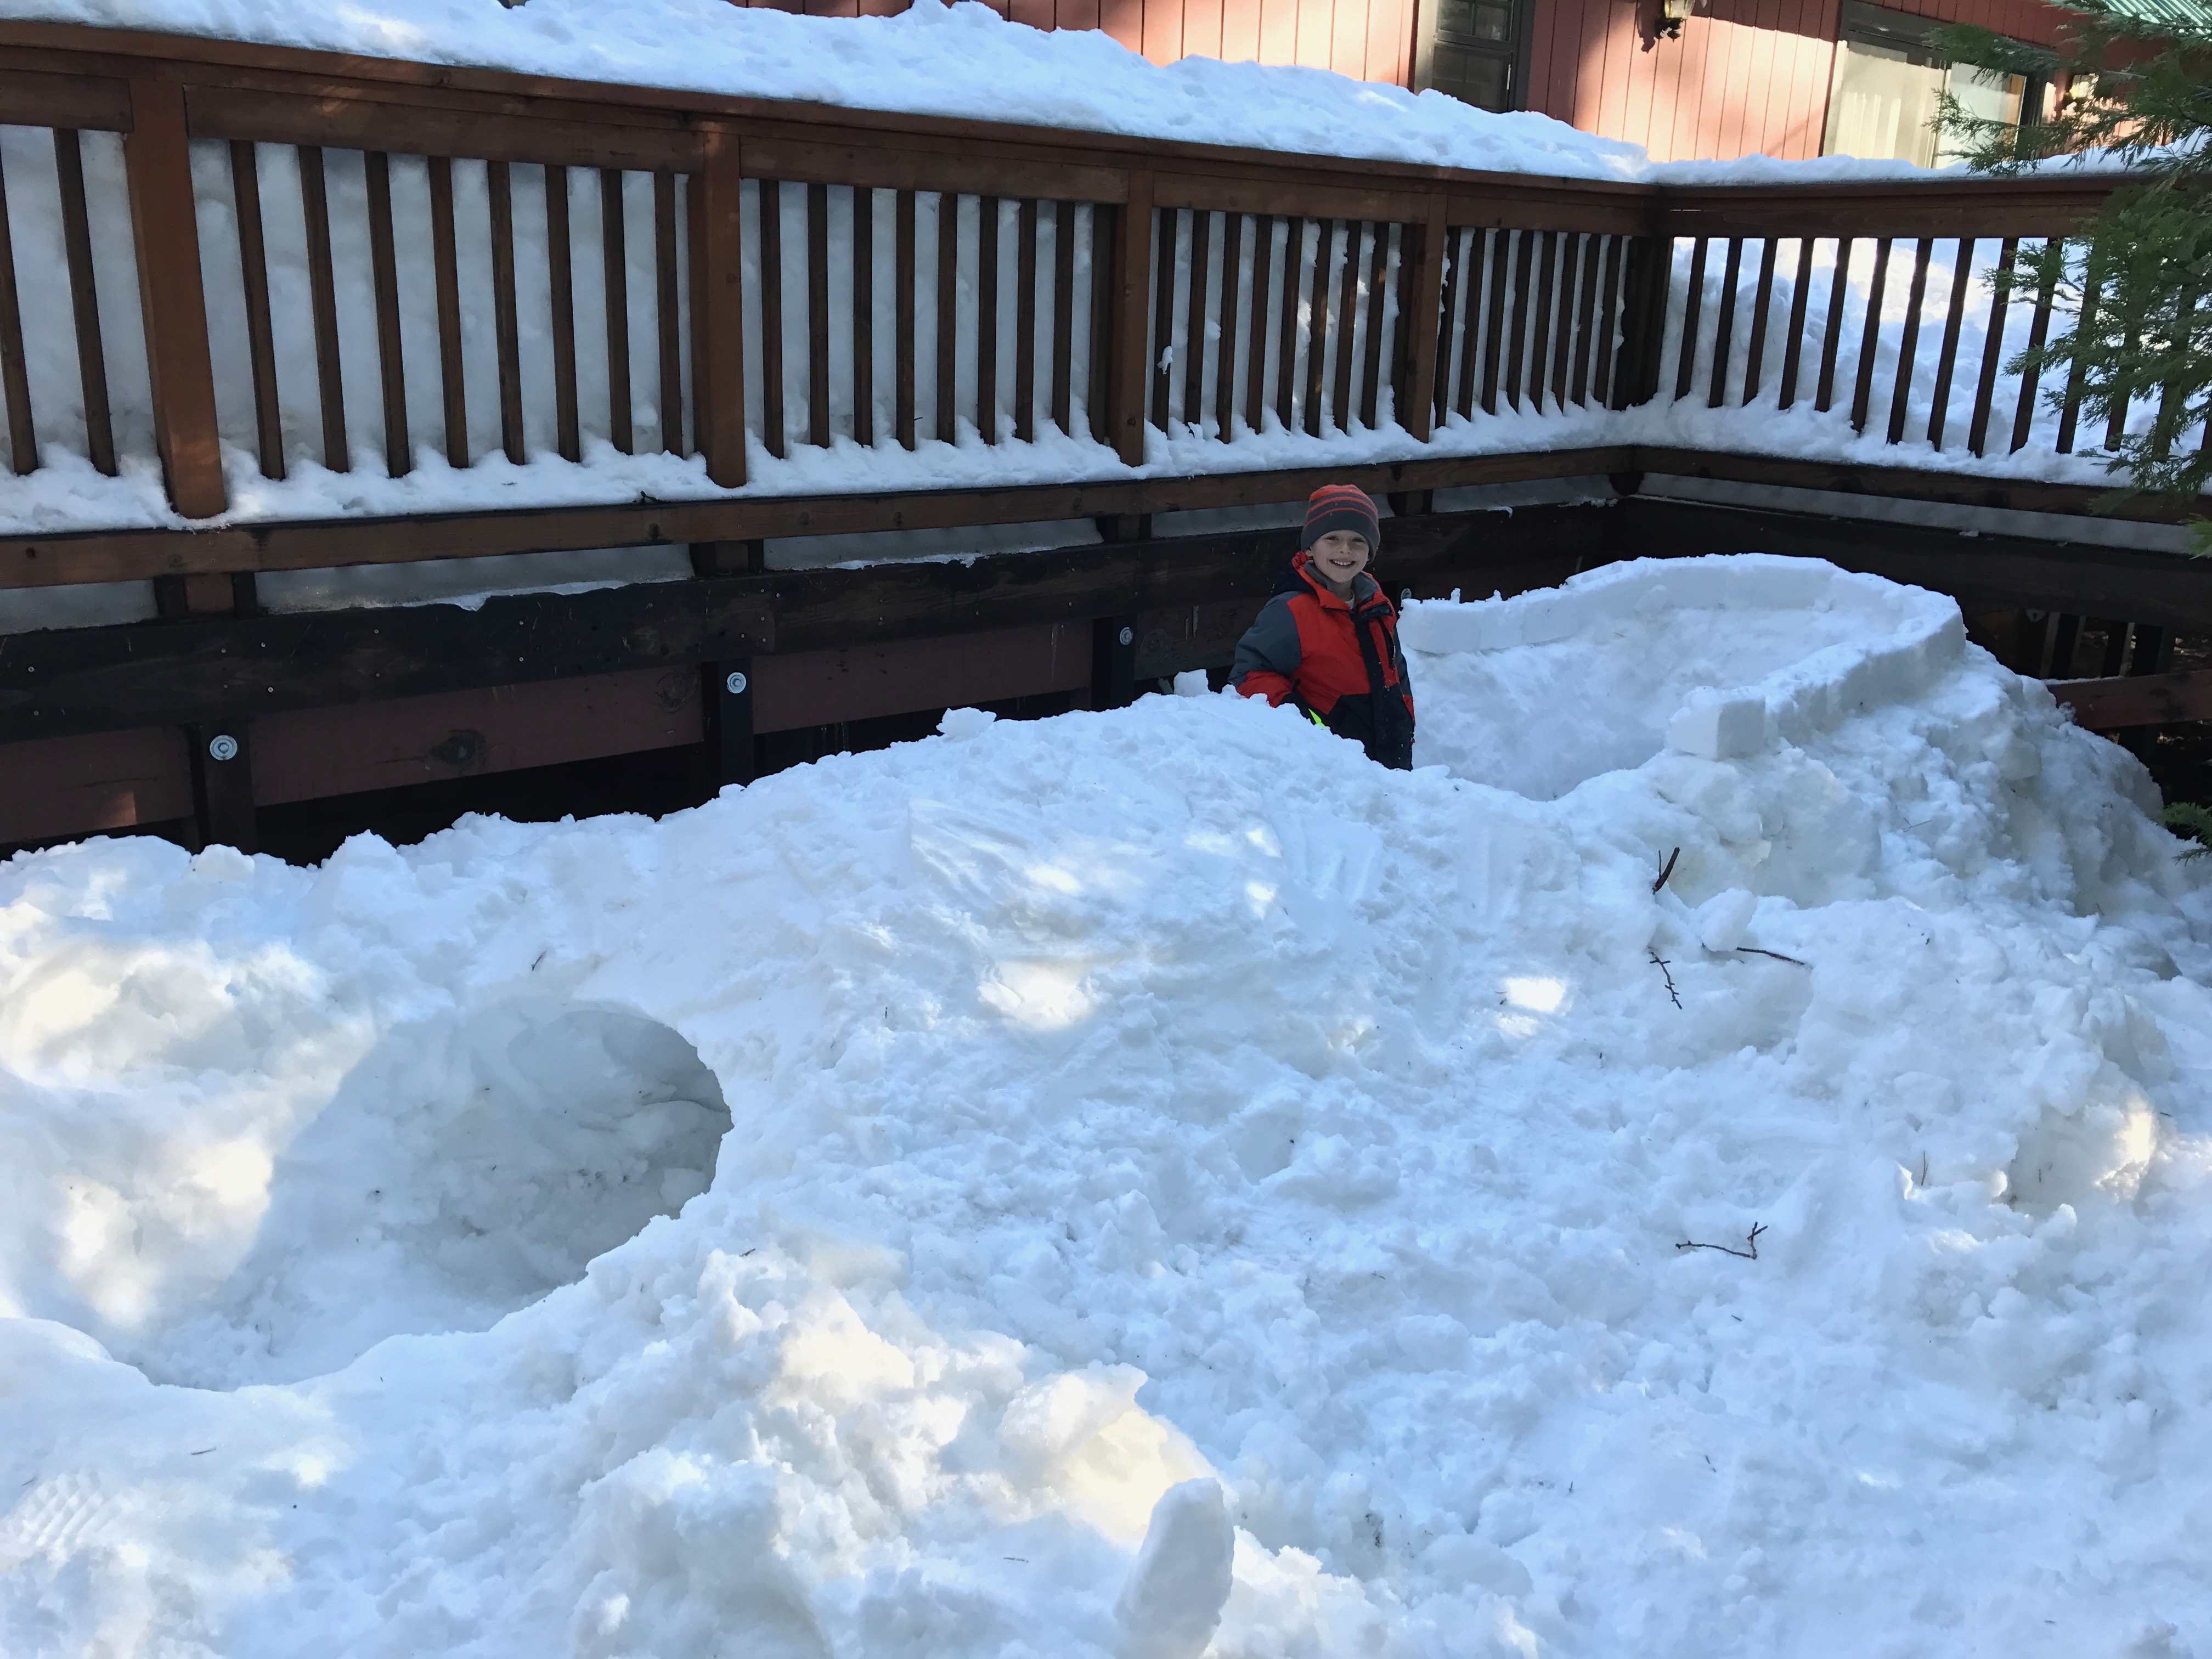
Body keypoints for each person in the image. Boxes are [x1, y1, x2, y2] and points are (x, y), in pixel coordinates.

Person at [1229, 484, 1415, 770]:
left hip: (1391, 754)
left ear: (1370, 552)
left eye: (1357, 540)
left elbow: (1397, 671)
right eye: (1332, 538)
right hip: (1330, 766)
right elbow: (1250, 674)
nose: (1345, 549)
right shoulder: (1292, 610)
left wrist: (1405, 723)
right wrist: (1302, 722)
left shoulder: (1378, 606)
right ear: (1310, 547)